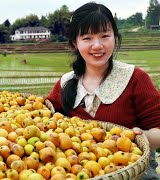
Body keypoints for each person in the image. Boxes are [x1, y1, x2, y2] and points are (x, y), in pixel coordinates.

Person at [46, 2, 160, 179]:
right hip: (79, 172)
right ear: (74, 43)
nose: (97, 45)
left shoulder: (135, 79)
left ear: (115, 37)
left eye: (105, 36)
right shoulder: (65, 83)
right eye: (87, 38)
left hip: (132, 173)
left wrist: (140, 136)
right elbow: (45, 120)